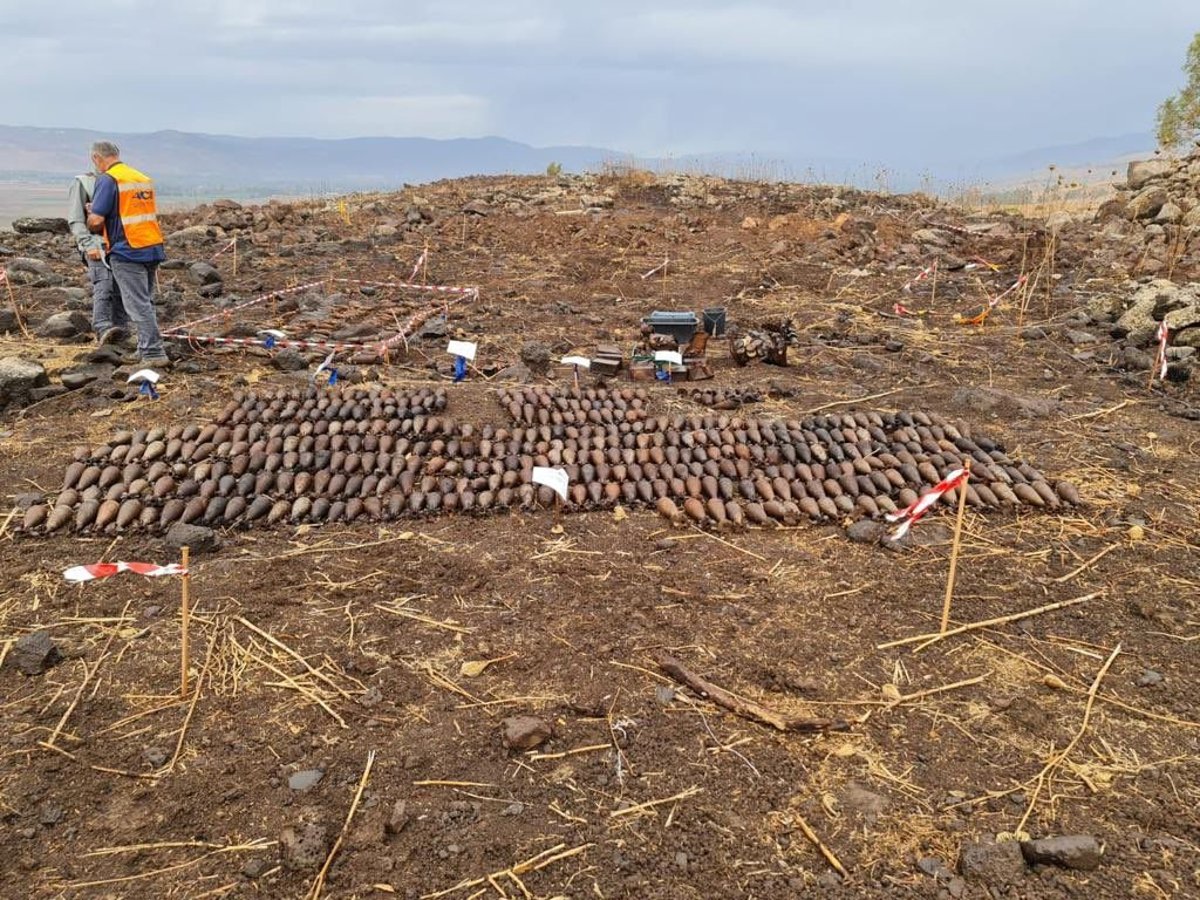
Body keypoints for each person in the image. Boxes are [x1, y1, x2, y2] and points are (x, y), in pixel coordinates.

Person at [85, 140, 170, 367]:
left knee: (136, 304)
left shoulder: (108, 179)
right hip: (151, 246)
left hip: (127, 250)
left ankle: (153, 354)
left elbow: (97, 220)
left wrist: (90, 215)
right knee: (146, 301)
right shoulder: (140, 178)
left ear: (97, 158)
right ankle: (145, 349)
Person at [67, 172, 129, 345]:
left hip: (119, 245)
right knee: (104, 285)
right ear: (97, 159)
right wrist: (88, 244)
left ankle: (121, 331)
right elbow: (76, 219)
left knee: (121, 288)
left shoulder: (121, 180)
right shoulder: (84, 182)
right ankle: (102, 328)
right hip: (97, 244)